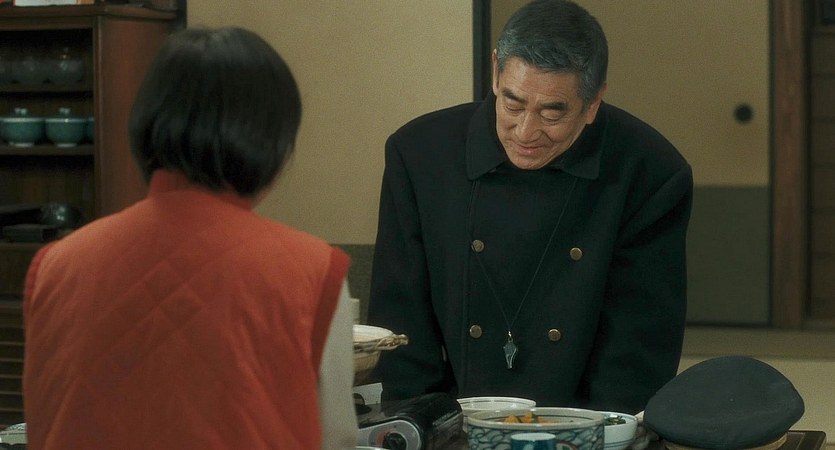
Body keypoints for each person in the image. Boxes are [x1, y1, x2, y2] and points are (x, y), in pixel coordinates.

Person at [23, 27, 357, 449]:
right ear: (271, 145)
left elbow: (44, 419)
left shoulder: (55, 265)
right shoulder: (313, 270)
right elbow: (337, 438)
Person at [367, 0, 693, 415]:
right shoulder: (419, 154)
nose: (525, 132)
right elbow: (401, 330)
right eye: (513, 103)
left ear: (593, 103)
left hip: (583, 425)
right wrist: (421, 425)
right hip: (448, 421)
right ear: (495, 72)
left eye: (551, 114)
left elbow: (636, 353)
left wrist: (592, 434)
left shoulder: (649, 172)